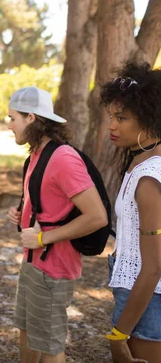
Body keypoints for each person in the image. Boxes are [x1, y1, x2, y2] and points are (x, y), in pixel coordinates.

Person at [6, 87, 108, 363]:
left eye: (12, 118)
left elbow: (97, 216)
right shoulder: (36, 156)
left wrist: (42, 239)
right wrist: (22, 213)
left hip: (52, 270)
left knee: (50, 346)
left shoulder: (63, 158)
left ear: (31, 118)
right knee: (28, 331)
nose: (8, 125)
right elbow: (47, 201)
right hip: (32, 264)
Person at [103, 62, 161, 363]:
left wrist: (118, 334)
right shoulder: (139, 163)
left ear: (149, 119)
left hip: (148, 301)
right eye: (111, 116)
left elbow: (153, 267)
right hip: (136, 293)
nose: (111, 125)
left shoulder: (150, 178)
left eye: (121, 118)